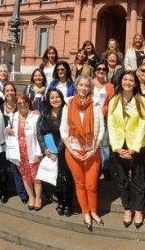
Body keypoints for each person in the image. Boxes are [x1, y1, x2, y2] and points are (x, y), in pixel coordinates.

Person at [60, 75, 105, 230]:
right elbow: (63, 130)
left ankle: (93, 211)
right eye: (81, 85)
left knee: (91, 185)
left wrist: (93, 150)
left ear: (90, 88)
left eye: (87, 85)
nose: (84, 88)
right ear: (76, 86)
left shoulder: (96, 104)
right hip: (73, 151)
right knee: (80, 184)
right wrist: (72, 151)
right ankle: (85, 212)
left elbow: (102, 130)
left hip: (92, 151)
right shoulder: (68, 104)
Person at [107, 71, 145, 229]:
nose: (128, 82)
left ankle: (138, 209)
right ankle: (127, 208)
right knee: (123, 179)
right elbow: (111, 124)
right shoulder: (114, 100)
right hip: (119, 145)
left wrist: (134, 148)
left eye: (131, 80)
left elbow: (142, 125)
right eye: (125, 79)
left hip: (136, 146)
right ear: (121, 81)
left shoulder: (141, 101)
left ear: (136, 83)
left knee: (138, 179)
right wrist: (116, 146)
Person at [36, 88, 74, 217]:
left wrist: (57, 151)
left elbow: (67, 133)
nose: (55, 100)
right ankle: (61, 201)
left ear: (62, 98)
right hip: (49, 151)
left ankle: (68, 202)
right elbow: (39, 132)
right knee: (55, 178)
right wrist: (45, 149)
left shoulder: (67, 111)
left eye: (57, 97)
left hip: (65, 151)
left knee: (66, 178)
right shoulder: (45, 112)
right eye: (52, 97)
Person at [5, 94, 43, 210]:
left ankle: (38, 198)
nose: (22, 105)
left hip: (32, 152)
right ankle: (31, 197)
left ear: (28, 103)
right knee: (26, 177)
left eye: (25, 102)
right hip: (20, 154)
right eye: (20, 103)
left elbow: (39, 136)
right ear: (16, 104)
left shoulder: (35, 116)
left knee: (36, 178)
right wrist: (6, 130)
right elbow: (7, 129)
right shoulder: (13, 116)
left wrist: (39, 153)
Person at [2, 82, 29, 204]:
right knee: (5, 169)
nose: (9, 92)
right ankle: (5, 191)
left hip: (16, 143)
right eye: (7, 90)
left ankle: (22, 193)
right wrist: (5, 130)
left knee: (17, 169)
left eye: (11, 90)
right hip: (1, 142)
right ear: (4, 93)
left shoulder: (19, 105)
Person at [91, 61, 115, 181]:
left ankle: (105, 167)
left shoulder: (109, 86)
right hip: (91, 118)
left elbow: (112, 102)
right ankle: (95, 167)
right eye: (98, 69)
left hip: (104, 118)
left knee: (104, 143)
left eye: (103, 69)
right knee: (92, 143)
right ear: (95, 71)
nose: (101, 71)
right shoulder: (89, 84)